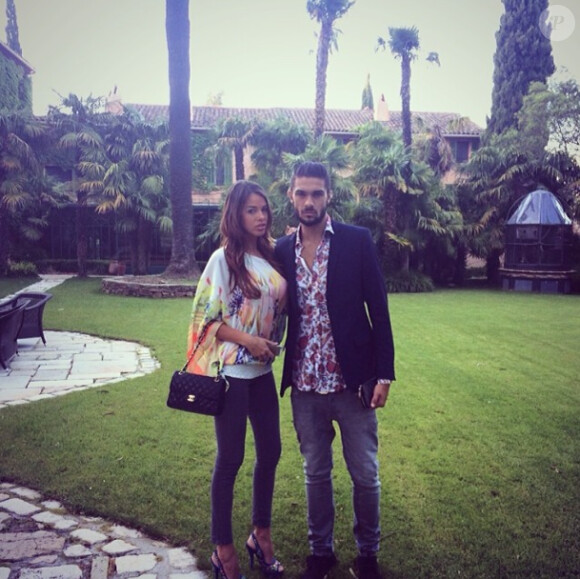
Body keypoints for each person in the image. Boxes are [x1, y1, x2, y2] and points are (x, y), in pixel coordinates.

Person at [274, 162, 395, 579]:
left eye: (317, 194)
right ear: (292, 196)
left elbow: (378, 309)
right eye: (302, 193)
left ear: (328, 197)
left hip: (353, 382)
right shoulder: (279, 251)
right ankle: (320, 552)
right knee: (315, 472)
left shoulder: (355, 241)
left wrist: (384, 374)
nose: (309, 202)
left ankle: (367, 555)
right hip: (305, 384)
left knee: (365, 473)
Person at [186, 181, 287, 579]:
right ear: (235, 214)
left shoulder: (272, 256)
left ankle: (260, 534)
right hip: (232, 374)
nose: (261, 216)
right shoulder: (223, 261)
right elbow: (205, 320)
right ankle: (223, 551)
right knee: (230, 459)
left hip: (262, 373)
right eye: (251, 210)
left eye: (264, 209)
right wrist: (250, 340)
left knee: (272, 452)